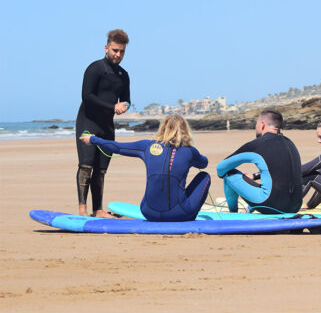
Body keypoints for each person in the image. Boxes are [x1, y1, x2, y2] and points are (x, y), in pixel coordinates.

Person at [80, 115, 211, 222]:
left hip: (149, 212)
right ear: (184, 130)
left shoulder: (146, 146)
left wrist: (93, 139)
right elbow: (204, 164)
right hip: (179, 214)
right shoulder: (190, 151)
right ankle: (188, 217)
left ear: (162, 128)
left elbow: (117, 147)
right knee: (204, 176)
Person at [75, 29, 131, 218]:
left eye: (122, 51)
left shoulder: (124, 75)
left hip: (107, 126)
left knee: (100, 170)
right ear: (106, 48)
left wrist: (125, 106)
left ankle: (97, 209)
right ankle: (82, 209)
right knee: (86, 165)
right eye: (115, 50)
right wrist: (112, 107)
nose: (118, 55)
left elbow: (126, 99)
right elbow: (87, 96)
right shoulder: (95, 69)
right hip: (88, 122)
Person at [216, 110, 302, 214]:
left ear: (262, 124)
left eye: (256, 124)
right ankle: (250, 208)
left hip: (272, 205)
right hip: (295, 206)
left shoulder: (257, 144)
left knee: (229, 173)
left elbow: (220, 168)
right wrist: (252, 177)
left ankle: (233, 214)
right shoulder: (290, 143)